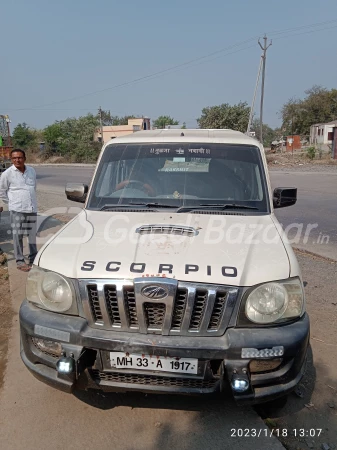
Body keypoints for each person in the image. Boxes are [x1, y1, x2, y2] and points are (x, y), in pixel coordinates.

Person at [0, 149, 38, 272]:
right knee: (18, 236)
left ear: (24, 158)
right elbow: (2, 192)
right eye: (14, 158)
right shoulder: (7, 173)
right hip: (17, 209)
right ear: (11, 160)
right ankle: (20, 260)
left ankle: (33, 258)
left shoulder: (31, 171)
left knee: (32, 235)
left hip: (31, 208)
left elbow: (33, 187)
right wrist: (12, 203)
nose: (17, 160)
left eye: (20, 157)